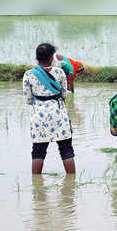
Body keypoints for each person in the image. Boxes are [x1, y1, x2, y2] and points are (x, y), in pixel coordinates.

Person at [23, 43, 76, 174]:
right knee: (66, 149)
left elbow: (28, 100)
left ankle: (36, 186)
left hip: (39, 117)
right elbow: (64, 94)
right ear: (52, 57)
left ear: (37, 57)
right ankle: (71, 184)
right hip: (59, 115)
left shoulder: (29, 74)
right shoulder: (59, 72)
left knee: (38, 151)